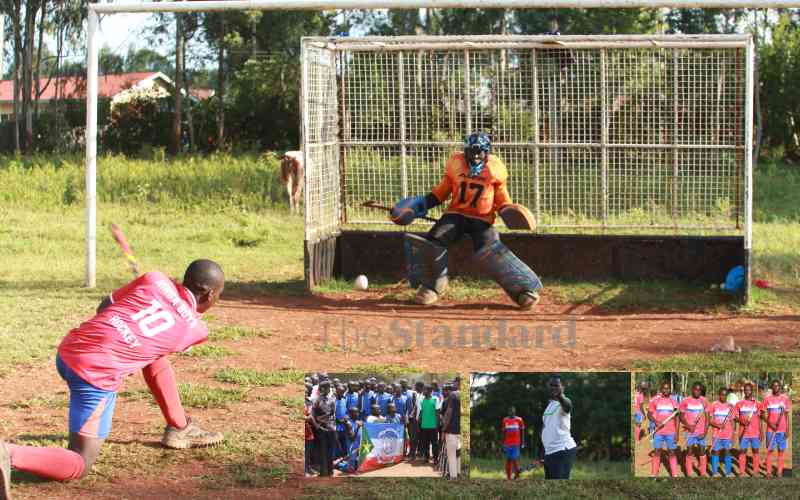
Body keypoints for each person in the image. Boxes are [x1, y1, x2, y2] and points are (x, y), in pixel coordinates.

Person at [0, 260, 225, 495]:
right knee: (80, 461)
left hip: (68, 351)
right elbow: (170, 330)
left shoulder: (155, 279)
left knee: (155, 356)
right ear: (209, 295)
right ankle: (7, 453)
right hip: (93, 376)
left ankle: (180, 426)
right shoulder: (197, 331)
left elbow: (104, 307)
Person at [390, 132, 542, 307]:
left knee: (491, 249)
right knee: (434, 240)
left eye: (481, 152)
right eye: (472, 152)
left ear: (487, 152)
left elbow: (502, 200)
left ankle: (521, 290)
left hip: (482, 220)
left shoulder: (494, 170)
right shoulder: (456, 164)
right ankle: (431, 287)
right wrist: (419, 205)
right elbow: (440, 193)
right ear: (466, 151)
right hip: (455, 215)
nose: (476, 156)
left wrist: (509, 211)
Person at [541, 376, 577, 479]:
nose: (553, 388)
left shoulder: (564, 402)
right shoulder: (550, 405)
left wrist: (559, 395)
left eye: (556, 385)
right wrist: (545, 452)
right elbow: (546, 428)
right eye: (551, 385)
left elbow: (568, 406)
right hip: (550, 453)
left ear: (562, 387)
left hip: (562, 450)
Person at [648, 382, 679, 477]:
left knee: (672, 452)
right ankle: (654, 474)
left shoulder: (674, 402)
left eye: (668, 388)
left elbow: (677, 418)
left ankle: (674, 474)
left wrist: (676, 433)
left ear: (670, 390)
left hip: (671, 432)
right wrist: (656, 422)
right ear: (661, 389)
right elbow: (649, 414)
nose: (666, 390)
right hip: (658, 432)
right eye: (664, 388)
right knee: (657, 451)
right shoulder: (655, 401)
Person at [679, 382, 709, 477]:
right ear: (692, 389)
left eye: (699, 390)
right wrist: (688, 426)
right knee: (689, 451)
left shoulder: (704, 401)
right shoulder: (685, 401)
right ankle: (689, 472)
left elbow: (708, 419)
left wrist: (705, 432)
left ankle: (703, 472)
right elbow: (681, 417)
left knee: (702, 451)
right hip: (689, 432)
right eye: (695, 389)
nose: (697, 391)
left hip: (701, 432)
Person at [762, 379, 791, 478]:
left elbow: (786, 415)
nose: (776, 387)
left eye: (777, 386)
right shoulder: (767, 399)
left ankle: (779, 472)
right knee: (769, 451)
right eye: (774, 386)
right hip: (771, 430)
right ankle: (769, 472)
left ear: (780, 387)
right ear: (772, 387)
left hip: (782, 430)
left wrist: (787, 429)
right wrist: (770, 424)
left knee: (781, 451)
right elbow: (762, 414)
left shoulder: (785, 399)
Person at [735, 382, 762, 477]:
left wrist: (761, 432)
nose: (747, 392)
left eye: (749, 390)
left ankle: (755, 471)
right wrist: (741, 421)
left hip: (755, 433)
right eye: (745, 390)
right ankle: (742, 471)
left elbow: (760, 419)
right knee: (742, 451)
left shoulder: (757, 404)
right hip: (743, 433)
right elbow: (735, 417)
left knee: (755, 451)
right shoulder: (739, 404)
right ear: (743, 391)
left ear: (752, 391)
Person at [312, 380, 337, 477]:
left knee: (330, 450)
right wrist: (317, 426)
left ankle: (330, 471)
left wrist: (333, 426)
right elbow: (312, 415)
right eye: (326, 388)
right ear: (322, 389)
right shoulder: (317, 400)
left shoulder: (332, 398)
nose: (328, 389)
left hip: (331, 428)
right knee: (322, 451)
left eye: (328, 387)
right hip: (322, 429)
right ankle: (323, 472)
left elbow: (333, 413)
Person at [708, 387, 736, 477]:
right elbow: (709, 420)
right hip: (717, 434)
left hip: (727, 435)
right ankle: (715, 472)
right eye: (721, 394)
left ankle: (728, 472)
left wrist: (733, 434)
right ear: (719, 395)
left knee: (727, 452)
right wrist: (717, 425)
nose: (723, 397)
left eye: (725, 395)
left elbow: (732, 422)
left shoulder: (730, 407)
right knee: (716, 452)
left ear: (727, 396)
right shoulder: (714, 405)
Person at [442, 382, 461, 479]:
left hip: (452, 431)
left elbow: (449, 413)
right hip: (460, 431)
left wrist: (443, 429)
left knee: (452, 455)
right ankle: (458, 473)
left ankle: (453, 477)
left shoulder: (453, 395)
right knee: (458, 454)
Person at [501, 406, 525, 480]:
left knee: (514, 458)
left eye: (513, 411)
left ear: (515, 411)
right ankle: (509, 477)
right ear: (508, 412)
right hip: (507, 443)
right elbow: (503, 432)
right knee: (508, 459)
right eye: (510, 411)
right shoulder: (505, 420)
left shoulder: (519, 420)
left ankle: (517, 475)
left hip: (516, 443)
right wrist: (502, 443)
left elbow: (522, 431)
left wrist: (523, 442)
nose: (511, 412)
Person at [419, 386, 439, 463]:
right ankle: (426, 458)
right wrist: (419, 423)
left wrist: (437, 425)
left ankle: (435, 459)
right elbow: (421, 412)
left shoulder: (435, 399)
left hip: (433, 426)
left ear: (429, 391)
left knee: (434, 443)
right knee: (425, 443)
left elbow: (437, 413)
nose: (423, 391)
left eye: (425, 390)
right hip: (424, 426)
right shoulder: (421, 400)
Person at [408, 381, 424, 460]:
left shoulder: (424, 395)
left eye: (416, 386)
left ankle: (421, 453)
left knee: (422, 437)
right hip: (415, 420)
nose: (414, 388)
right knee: (414, 437)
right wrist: (411, 415)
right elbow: (415, 406)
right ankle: (412, 454)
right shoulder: (415, 395)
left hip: (423, 420)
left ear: (420, 387)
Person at [304, 383, 317, 477]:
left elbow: (311, 414)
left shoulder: (308, 402)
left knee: (309, 449)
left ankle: (308, 467)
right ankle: (305, 469)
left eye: (305, 392)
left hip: (309, 428)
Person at [334, 384, 349, 458]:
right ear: (336, 391)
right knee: (336, 443)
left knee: (344, 442)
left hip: (343, 425)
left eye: (343, 392)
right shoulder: (333, 400)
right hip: (335, 426)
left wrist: (346, 417)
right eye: (340, 392)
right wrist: (338, 420)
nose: (341, 393)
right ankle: (337, 457)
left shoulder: (344, 400)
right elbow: (330, 413)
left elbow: (346, 411)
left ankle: (344, 457)